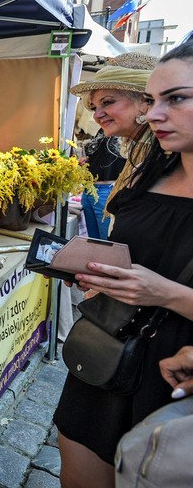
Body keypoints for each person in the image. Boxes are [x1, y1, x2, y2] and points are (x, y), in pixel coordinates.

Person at [53, 42, 193, 488]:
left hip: (173, 368)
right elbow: (134, 248)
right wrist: (103, 274)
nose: (155, 114)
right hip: (108, 346)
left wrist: (164, 293)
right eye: (154, 100)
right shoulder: (152, 166)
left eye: (175, 98)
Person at [69, 52, 157, 239]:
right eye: (94, 107)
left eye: (107, 102)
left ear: (144, 102)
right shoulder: (143, 155)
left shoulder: (166, 159)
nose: (96, 115)